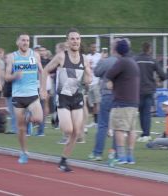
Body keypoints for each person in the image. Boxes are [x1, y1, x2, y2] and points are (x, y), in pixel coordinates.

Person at [41, 28, 92, 172]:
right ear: (68, 42)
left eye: (77, 38)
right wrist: (43, 89)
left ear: (80, 41)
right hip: (63, 98)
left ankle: (63, 161)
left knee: (77, 132)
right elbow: (45, 71)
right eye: (72, 39)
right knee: (69, 130)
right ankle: (58, 120)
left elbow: (88, 81)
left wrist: (88, 74)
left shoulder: (85, 59)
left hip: (77, 97)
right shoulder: (61, 57)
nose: (75, 41)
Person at [5, 33, 43, 164]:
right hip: (18, 95)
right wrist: (14, 75)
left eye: (27, 40)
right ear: (18, 42)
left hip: (32, 94)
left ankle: (28, 118)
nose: (25, 42)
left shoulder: (35, 55)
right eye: (23, 40)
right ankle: (24, 151)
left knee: (38, 118)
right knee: (21, 128)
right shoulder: (11, 57)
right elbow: (6, 77)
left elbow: (42, 72)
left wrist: (43, 89)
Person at [106, 39, 140, 164]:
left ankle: (121, 156)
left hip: (122, 101)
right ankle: (130, 156)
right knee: (131, 129)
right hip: (133, 102)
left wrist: (110, 83)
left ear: (117, 50)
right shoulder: (132, 61)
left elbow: (109, 75)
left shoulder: (122, 62)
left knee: (119, 129)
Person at [88, 38, 119, 161]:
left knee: (102, 125)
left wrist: (101, 59)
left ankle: (97, 153)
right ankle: (116, 154)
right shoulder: (126, 61)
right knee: (118, 126)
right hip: (120, 96)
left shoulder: (109, 61)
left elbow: (96, 72)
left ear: (112, 49)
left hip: (107, 94)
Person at [135, 42, 166, 142]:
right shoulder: (152, 61)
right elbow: (163, 75)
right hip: (149, 89)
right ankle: (146, 134)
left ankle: (144, 133)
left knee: (141, 112)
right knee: (147, 112)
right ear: (149, 49)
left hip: (138, 89)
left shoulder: (136, 59)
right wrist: (159, 80)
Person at [86, 43, 102, 127]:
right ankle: (95, 121)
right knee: (92, 104)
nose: (94, 48)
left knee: (97, 102)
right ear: (90, 48)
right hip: (89, 82)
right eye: (92, 47)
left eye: (95, 47)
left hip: (96, 82)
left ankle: (98, 121)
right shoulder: (87, 57)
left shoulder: (99, 56)